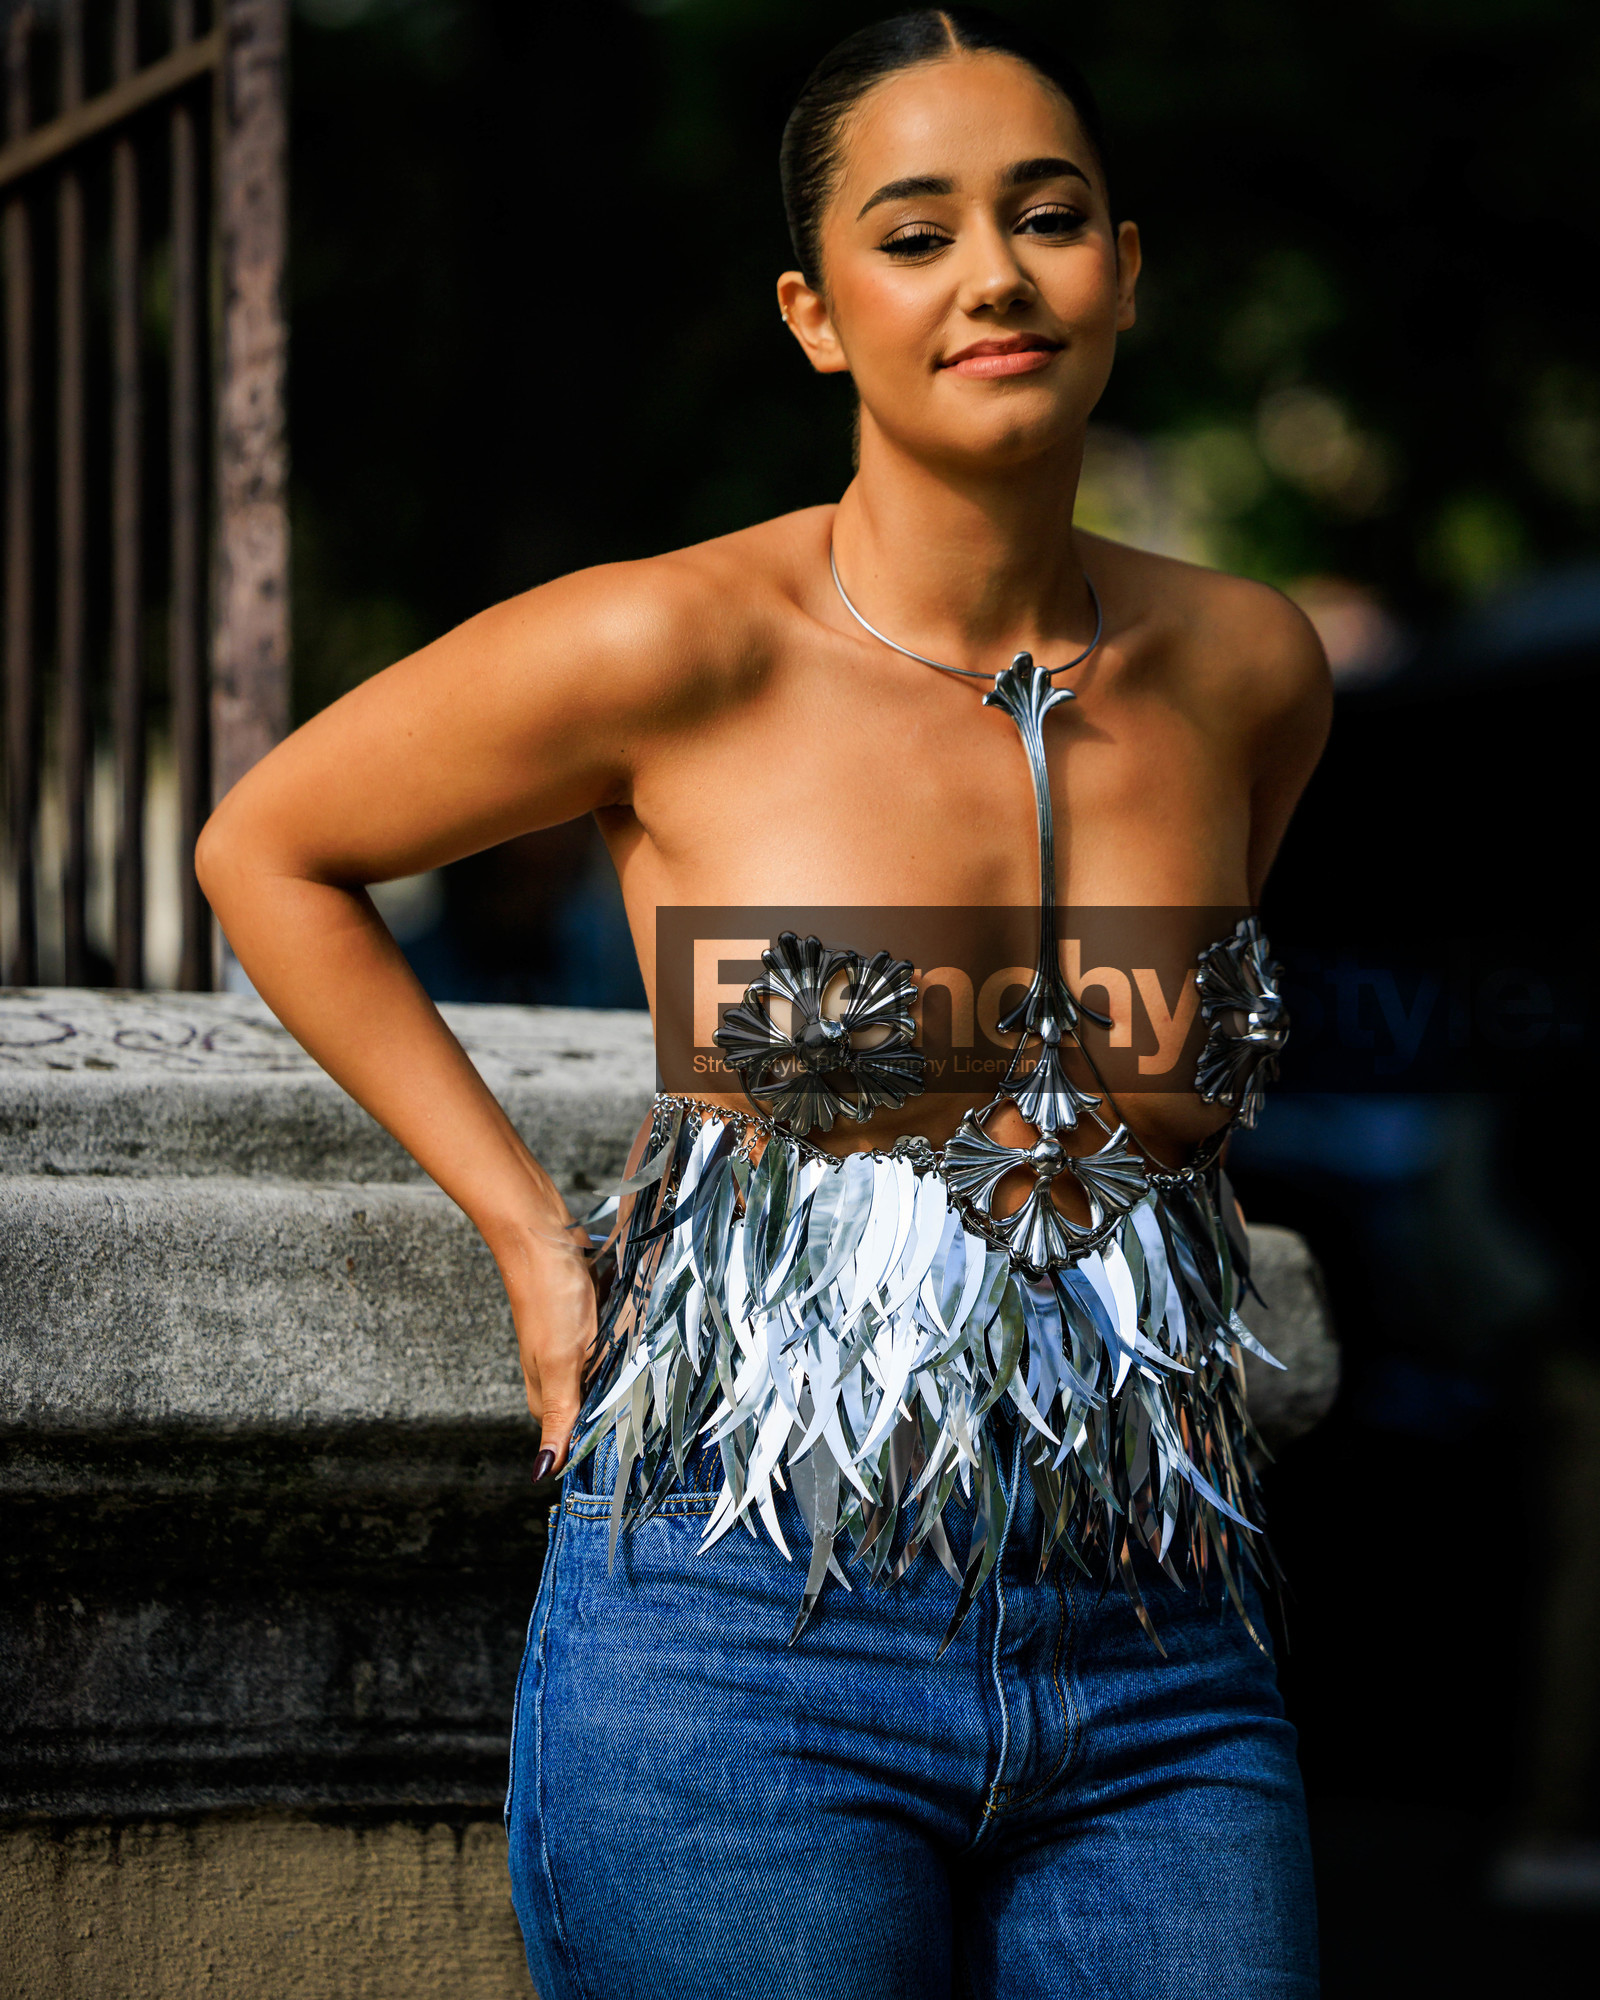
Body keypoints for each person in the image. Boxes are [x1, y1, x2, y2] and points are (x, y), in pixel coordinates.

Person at [198, 10, 1331, 1995]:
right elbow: (268, 849)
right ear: (815, 317)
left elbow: (1165, 1114)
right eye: (915, 235)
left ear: (1122, 273)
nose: (992, 274)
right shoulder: (677, 640)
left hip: (1160, 1654)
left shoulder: (1244, 665)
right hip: (740, 1639)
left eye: (1045, 218)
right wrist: (529, 1241)